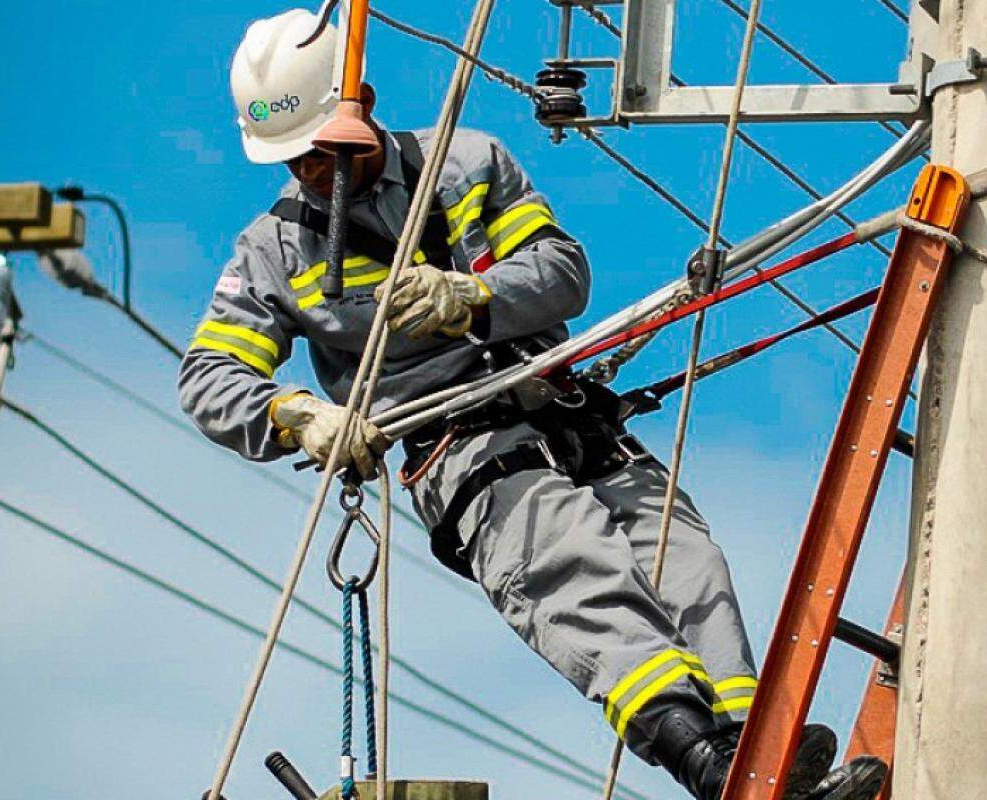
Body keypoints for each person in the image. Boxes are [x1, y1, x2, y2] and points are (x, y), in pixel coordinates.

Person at [179, 9, 885, 800]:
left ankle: (761, 762)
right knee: (578, 567)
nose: (314, 171)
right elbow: (210, 376)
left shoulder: (467, 163)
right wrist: (299, 415)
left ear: (364, 103)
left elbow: (562, 273)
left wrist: (470, 297)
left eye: (324, 150)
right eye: (298, 159)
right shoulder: (275, 250)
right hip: (465, 450)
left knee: (690, 566)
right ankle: (709, 768)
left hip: (566, 410)